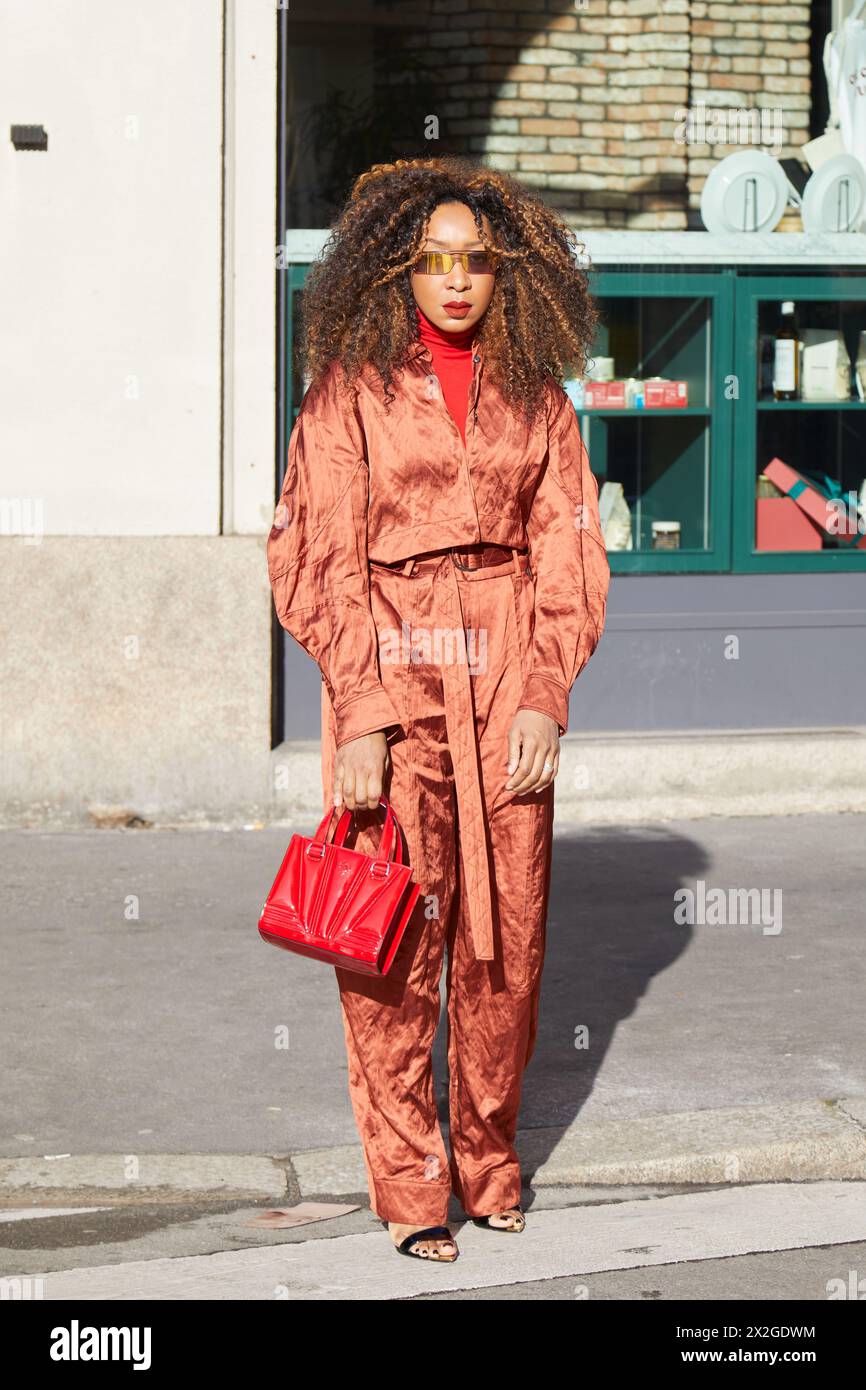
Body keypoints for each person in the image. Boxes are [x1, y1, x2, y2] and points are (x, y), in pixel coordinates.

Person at [267, 155, 609, 1262]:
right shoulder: (351, 392)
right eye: (433, 261)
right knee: (390, 946)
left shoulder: (536, 394)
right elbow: (312, 553)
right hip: (393, 660)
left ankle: (490, 1163)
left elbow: (567, 546)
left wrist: (545, 694)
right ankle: (413, 1189)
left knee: (504, 937)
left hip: (506, 657)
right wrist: (359, 712)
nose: (455, 280)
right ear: (394, 270)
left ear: (507, 273)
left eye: (474, 261)